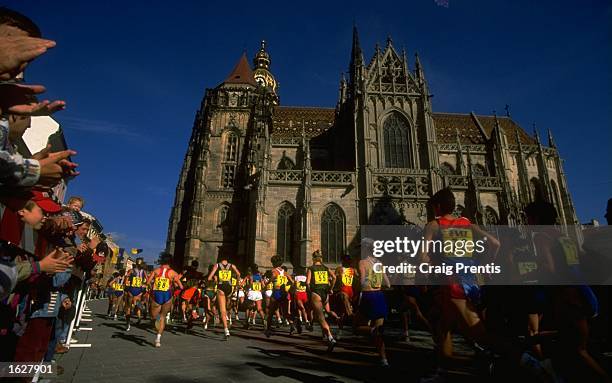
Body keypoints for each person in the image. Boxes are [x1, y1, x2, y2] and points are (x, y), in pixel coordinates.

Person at [525, 201, 609, 382]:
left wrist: (530, 274)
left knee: (579, 350)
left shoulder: (541, 237)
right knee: (574, 343)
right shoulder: (564, 236)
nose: (527, 222)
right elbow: (581, 259)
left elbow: (549, 266)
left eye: (529, 218)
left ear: (537, 219)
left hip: (567, 296)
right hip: (583, 291)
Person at [147, 253, 182, 348]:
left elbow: (147, 282)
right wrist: (174, 285)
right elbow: (181, 286)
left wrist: (152, 287)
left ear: (161, 260)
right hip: (167, 295)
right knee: (163, 316)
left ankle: (157, 323)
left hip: (156, 294)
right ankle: (158, 339)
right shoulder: (174, 273)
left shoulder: (156, 270)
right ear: (171, 262)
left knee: (154, 317)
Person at [306, 250, 337, 351]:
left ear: (313, 258)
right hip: (325, 294)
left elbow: (307, 283)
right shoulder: (326, 268)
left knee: (321, 318)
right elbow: (334, 277)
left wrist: (310, 292)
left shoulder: (311, 268)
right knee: (322, 315)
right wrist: (331, 288)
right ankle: (325, 337)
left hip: (316, 294)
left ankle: (330, 337)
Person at [207, 253, 240, 339]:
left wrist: (215, 279)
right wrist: (236, 284)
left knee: (222, 310)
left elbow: (209, 278)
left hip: (221, 287)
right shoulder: (232, 265)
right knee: (228, 304)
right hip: (229, 287)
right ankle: (230, 315)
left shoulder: (217, 265)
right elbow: (238, 274)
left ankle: (226, 330)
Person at [264, 256, 295, 337]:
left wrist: (268, 283)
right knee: (285, 312)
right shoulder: (284, 272)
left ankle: (268, 330)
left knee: (271, 312)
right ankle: (292, 325)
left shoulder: (274, 271)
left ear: (274, 263)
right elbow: (292, 281)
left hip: (276, 292)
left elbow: (273, 276)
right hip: (284, 292)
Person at [124, 258, 147, 331]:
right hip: (138, 291)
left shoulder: (132, 271)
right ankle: (139, 315)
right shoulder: (143, 272)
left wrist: (127, 289)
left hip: (133, 290)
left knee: (128, 307)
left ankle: (128, 323)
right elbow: (147, 281)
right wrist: (143, 290)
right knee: (133, 306)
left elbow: (126, 279)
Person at [244, 264, 266, 329]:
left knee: (248, 308)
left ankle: (247, 323)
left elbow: (250, 284)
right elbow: (263, 285)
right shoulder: (259, 276)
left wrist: (246, 289)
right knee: (259, 308)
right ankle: (264, 321)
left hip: (252, 292)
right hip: (258, 293)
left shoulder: (251, 276)